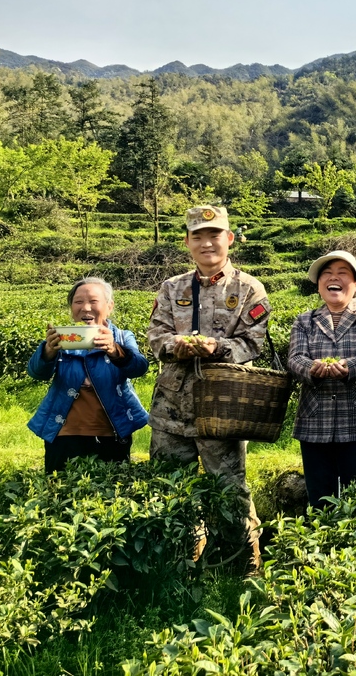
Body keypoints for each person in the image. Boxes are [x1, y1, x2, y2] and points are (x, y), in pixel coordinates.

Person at [147, 205, 271, 568]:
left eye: (214, 235)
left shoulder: (249, 289)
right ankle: (177, 562)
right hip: (172, 407)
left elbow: (253, 343)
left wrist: (217, 348)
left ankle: (243, 564)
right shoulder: (172, 288)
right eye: (197, 236)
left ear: (229, 239)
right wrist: (176, 346)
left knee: (230, 489)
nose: (206, 243)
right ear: (187, 242)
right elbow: (156, 337)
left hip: (223, 408)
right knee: (169, 488)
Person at [288, 250, 356, 506]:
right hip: (315, 422)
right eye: (328, 274)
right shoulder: (304, 321)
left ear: (355, 285)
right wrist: (312, 368)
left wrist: (349, 366)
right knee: (320, 497)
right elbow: (295, 359)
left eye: (343, 273)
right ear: (319, 285)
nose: (335, 278)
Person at [27, 277, 149, 473]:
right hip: (64, 434)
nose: (85, 308)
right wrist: (48, 351)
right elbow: (36, 373)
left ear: (109, 307)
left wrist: (115, 349)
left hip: (113, 433)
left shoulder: (122, 337)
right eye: (78, 302)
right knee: (60, 491)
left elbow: (139, 367)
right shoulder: (62, 338)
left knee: (111, 492)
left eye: (93, 301)